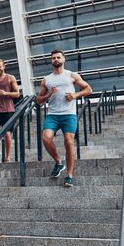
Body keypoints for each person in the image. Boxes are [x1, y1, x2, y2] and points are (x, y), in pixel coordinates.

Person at [36, 49, 92, 187]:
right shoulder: (46, 80)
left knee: (69, 140)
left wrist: (75, 95)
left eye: (58, 57)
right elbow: (38, 100)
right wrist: (48, 94)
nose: (56, 59)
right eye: (53, 58)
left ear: (63, 59)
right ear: (51, 61)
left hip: (68, 114)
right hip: (53, 115)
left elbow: (88, 89)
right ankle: (59, 162)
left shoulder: (71, 75)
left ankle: (69, 175)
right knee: (46, 138)